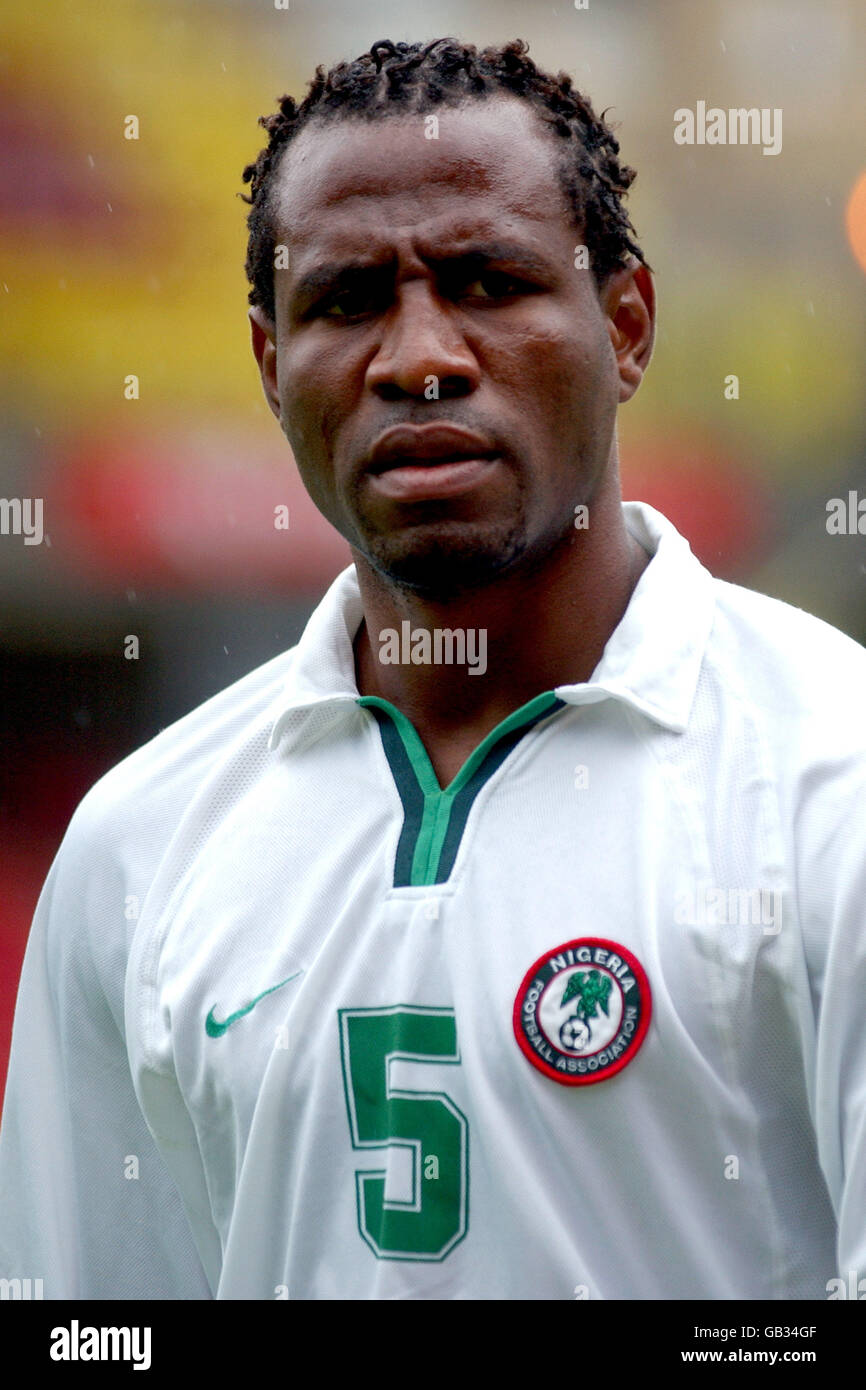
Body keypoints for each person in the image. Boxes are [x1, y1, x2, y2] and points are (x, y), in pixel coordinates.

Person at [1, 35, 864, 1301]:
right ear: (267, 364)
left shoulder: (829, 774)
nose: (417, 357)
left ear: (623, 327)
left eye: (486, 281)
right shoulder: (138, 845)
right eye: (347, 301)